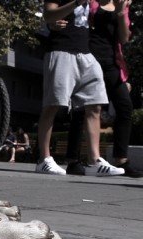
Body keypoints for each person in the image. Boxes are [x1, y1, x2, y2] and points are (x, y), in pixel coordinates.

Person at [35, 0, 124, 176]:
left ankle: (94, 161)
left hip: (86, 54)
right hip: (61, 50)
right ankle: (43, 159)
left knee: (95, 104)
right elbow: (48, 15)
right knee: (53, 105)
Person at [63, 0, 139, 177]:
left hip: (111, 63)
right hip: (89, 58)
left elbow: (124, 38)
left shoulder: (122, 6)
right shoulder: (91, 3)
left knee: (125, 106)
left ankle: (121, 159)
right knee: (82, 109)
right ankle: (73, 160)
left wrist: (120, 13)